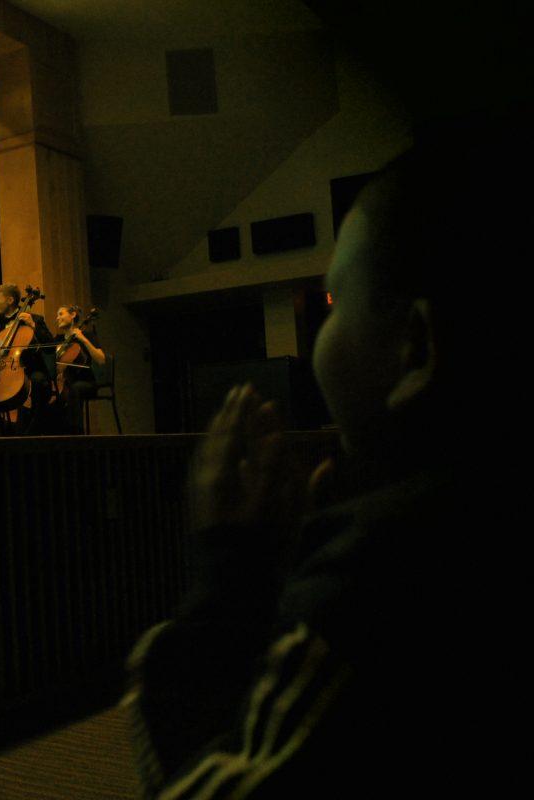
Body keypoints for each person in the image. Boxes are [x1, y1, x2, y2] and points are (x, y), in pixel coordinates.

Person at [122, 128, 504, 796]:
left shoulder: (379, 590)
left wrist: (227, 582)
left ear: (415, 346)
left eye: (332, 302)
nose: (314, 339)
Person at [0, 283, 53, 433]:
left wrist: (32, 326)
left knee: (37, 381)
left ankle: (33, 432)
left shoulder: (35, 319)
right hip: (3, 369)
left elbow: (50, 346)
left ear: (10, 300)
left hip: (31, 370)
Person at [49, 305, 105, 434]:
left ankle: (76, 434)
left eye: (61, 314)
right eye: (57, 315)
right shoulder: (58, 340)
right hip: (63, 381)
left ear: (73, 315)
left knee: (74, 389)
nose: (57, 318)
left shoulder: (87, 335)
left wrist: (83, 339)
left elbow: (101, 359)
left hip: (86, 382)